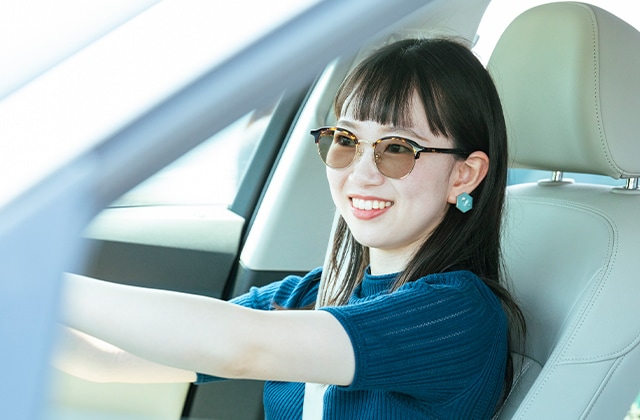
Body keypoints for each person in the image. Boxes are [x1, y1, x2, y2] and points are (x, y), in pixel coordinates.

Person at [55, 37, 526, 419]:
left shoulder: (455, 315)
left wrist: (45, 287)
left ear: (464, 174)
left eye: (398, 148)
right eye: (345, 141)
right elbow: (108, 360)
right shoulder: (319, 293)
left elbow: (238, 347)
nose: (361, 173)